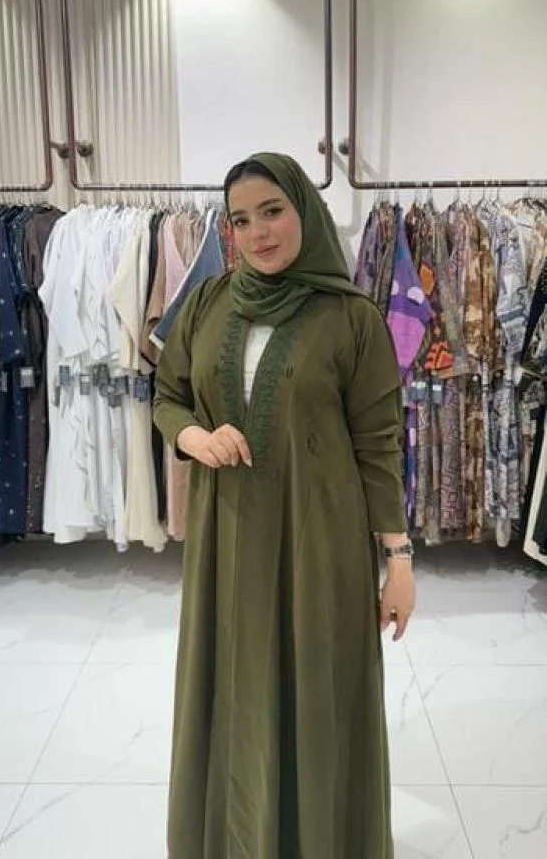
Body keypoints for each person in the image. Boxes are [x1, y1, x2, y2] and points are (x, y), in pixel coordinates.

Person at [154, 152, 416, 859]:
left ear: (305, 210)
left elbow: (379, 446)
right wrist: (194, 437)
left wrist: (397, 562)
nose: (258, 233)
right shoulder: (206, 303)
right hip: (227, 540)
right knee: (232, 688)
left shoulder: (352, 317)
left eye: (272, 211)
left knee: (317, 694)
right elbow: (168, 395)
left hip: (318, 543)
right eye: (240, 220)